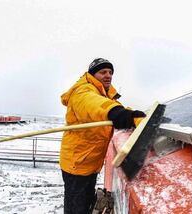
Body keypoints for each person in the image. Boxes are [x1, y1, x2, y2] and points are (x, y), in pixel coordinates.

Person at [60, 58, 146, 214]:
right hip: (77, 164)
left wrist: (132, 115)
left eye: (110, 72)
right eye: (103, 72)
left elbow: (112, 105)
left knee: (85, 203)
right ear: (93, 75)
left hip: (89, 162)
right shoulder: (83, 91)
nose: (108, 75)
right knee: (76, 208)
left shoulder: (106, 95)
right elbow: (94, 105)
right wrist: (117, 114)